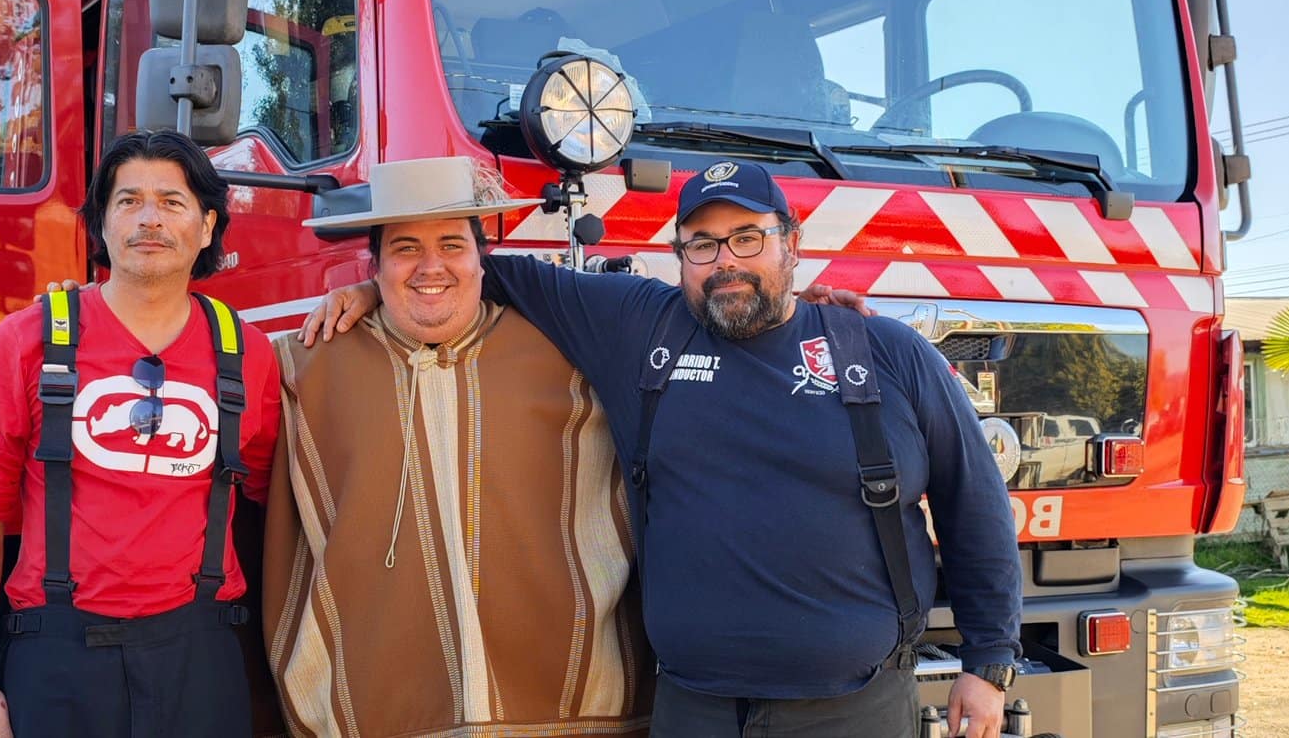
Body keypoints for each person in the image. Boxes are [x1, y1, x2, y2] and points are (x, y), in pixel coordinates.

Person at [304, 158, 1021, 738]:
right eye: (702, 245)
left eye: (748, 238)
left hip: (851, 709)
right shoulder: (642, 326)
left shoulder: (883, 351)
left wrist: (987, 664)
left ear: (791, 243)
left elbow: (973, 502)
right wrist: (382, 292)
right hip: (692, 709)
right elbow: (483, 274)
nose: (726, 262)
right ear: (679, 257)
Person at [263, 156, 653, 737]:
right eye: (404, 249)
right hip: (382, 711)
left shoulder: (567, 356)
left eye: (451, 244)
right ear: (375, 265)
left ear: (481, 260)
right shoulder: (304, 367)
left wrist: (827, 319)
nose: (430, 267)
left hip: (563, 716)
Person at [0, 130, 281, 738]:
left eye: (172, 201)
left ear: (207, 227)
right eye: (128, 200)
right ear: (101, 224)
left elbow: (282, 502)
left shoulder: (249, 354)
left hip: (200, 654)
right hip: (57, 657)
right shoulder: (24, 344)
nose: (149, 219)